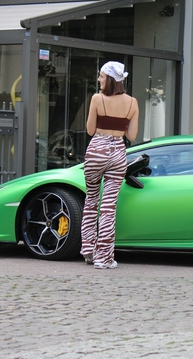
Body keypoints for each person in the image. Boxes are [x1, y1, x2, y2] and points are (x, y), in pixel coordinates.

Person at [80, 61, 139, 269]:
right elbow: (131, 135)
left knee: (91, 200)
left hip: (97, 149)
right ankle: (104, 258)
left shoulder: (97, 99)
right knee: (109, 207)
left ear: (110, 79)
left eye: (101, 76)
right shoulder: (133, 103)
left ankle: (88, 250)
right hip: (118, 153)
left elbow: (89, 130)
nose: (99, 80)